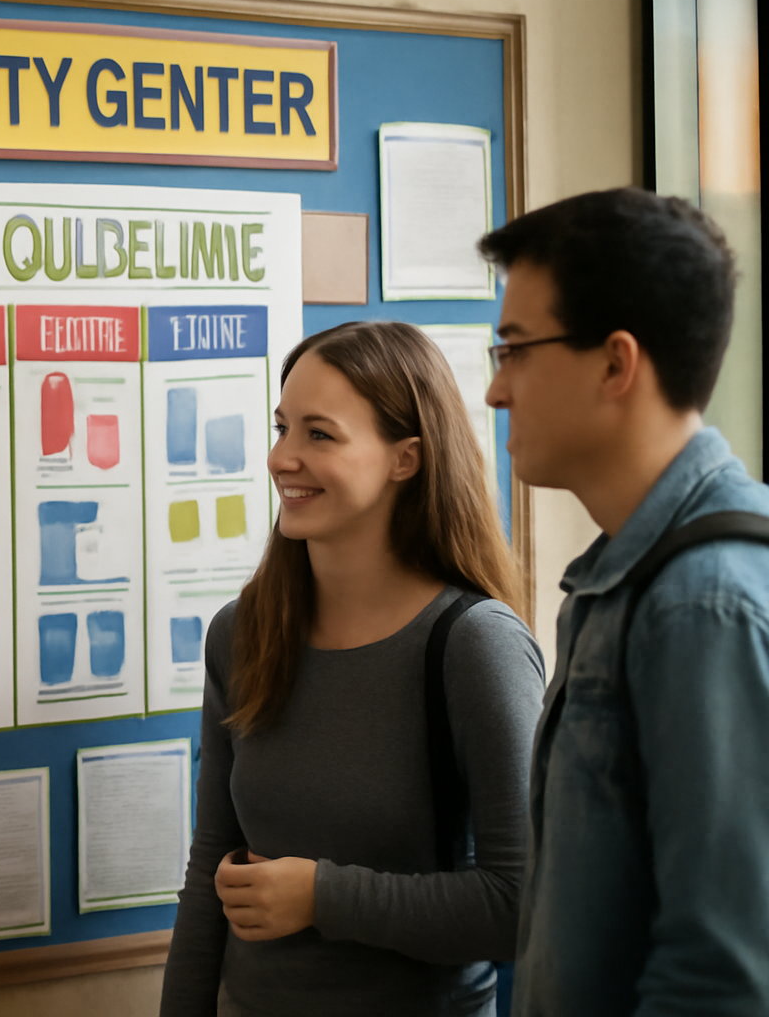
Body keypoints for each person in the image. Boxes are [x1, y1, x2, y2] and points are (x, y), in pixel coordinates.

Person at [161, 321, 546, 1017]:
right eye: (281, 428)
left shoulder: (474, 646)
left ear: (405, 458)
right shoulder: (239, 635)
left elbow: (521, 904)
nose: (282, 458)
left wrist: (323, 896)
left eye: (319, 434)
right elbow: (210, 870)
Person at [481, 188, 769, 1015]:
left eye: (515, 350)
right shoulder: (622, 578)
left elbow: (723, 974)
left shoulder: (702, 603)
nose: (497, 391)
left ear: (616, 363)